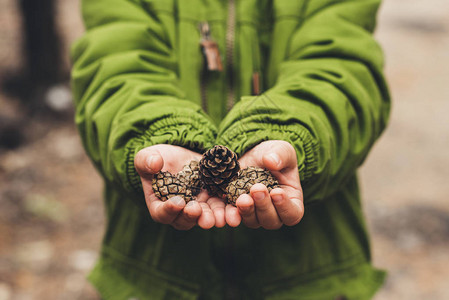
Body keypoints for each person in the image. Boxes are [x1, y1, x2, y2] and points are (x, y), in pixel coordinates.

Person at [71, 0, 390, 299]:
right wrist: (158, 133)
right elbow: (113, 68)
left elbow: (344, 70)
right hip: (153, 272)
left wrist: (289, 136)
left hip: (311, 272)